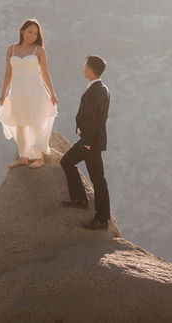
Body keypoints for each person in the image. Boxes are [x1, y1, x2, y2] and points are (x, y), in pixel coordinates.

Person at [0, 19, 59, 169]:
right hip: (17, 92)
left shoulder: (39, 50)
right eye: (30, 32)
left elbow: (45, 74)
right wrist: (3, 94)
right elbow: (8, 73)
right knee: (20, 123)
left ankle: (39, 157)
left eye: (36, 34)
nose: (32, 36)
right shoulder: (12, 49)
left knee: (36, 122)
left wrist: (52, 93)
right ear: (22, 31)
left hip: (35, 91)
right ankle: (23, 157)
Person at [60, 55, 111, 230]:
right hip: (95, 140)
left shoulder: (92, 92)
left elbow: (91, 120)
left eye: (85, 66)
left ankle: (100, 218)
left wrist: (87, 143)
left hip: (90, 142)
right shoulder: (103, 89)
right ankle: (80, 199)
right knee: (97, 178)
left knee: (94, 177)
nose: (83, 69)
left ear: (90, 69)